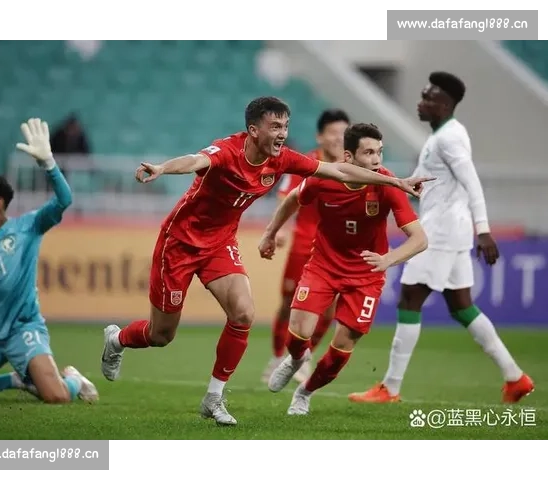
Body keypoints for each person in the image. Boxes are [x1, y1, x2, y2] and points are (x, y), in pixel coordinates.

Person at [100, 97, 431, 426]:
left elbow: (337, 170)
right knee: (161, 335)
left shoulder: (282, 158)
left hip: (219, 245)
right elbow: (196, 160)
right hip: (179, 244)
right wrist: (162, 168)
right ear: (253, 130)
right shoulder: (228, 151)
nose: (282, 133)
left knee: (243, 314)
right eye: (275, 126)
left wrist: (395, 181)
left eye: (285, 126)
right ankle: (117, 340)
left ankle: (214, 398)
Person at [348, 72, 534, 405]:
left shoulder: (448, 138)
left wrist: (484, 229)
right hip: (452, 230)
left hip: (441, 232)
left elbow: (472, 182)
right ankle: (515, 377)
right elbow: (446, 183)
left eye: (428, 97)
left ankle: (390, 387)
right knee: (462, 307)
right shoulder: (446, 135)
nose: (421, 102)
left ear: (444, 104)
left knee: (409, 300)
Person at [258, 123, 428, 415]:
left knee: (340, 351)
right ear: (348, 157)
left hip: (365, 277)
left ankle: (304, 392)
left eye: (379, 152)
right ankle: (297, 359)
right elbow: (293, 200)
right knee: (298, 332)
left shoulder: (387, 184)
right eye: (369, 153)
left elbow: (420, 239)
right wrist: (271, 233)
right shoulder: (324, 178)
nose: (377, 159)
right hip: (323, 266)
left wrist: (389, 259)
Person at [0, 118, 98, 404]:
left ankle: (74, 380)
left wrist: (49, 163)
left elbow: (64, 200)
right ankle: (14, 380)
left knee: (56, 396)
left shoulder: (28, 227)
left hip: (24, 329)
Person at [262, 109, 350, 385]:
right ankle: (277, 356)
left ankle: (302, 356)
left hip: (335, 248)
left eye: (344, 133)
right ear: (320, 136)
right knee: (289, 304)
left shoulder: (351, 166)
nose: (339, 139)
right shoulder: (306, 163)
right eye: (333, 133)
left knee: (328, 310)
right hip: (304, 243)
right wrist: (280, 229)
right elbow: (286, 196)